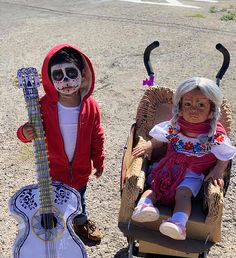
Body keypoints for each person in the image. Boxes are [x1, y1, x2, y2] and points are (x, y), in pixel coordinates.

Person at [17, 43, 105, 242]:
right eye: (58, 75)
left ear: (83, 75)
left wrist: (98, 160)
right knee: (54, 204)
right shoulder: (43, 106)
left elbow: (97, 135)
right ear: (49, 79)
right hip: (53, 172)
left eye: (71, 73)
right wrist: (24, 132)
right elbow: (27, 131)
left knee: (79, 200)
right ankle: (59, 232)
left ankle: (81, 224)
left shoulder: (90, 106)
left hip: (81, 171)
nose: (65, 81)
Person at [131, 77, 236, 240]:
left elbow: (225, 154)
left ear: (212, 109)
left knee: (183, 195)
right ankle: (144, 208)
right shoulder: (177, 124)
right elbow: (161, 138)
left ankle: (178, 224)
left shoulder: (213, 133)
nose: (193, 109)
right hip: (169, 167)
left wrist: (218, 170)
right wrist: (150, 145)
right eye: (188, 104)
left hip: (193, 173)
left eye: (201, 105)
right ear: (180, 106)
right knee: (153, 188)